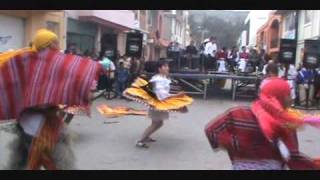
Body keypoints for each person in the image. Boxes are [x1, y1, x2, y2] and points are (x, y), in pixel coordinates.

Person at [0, 29, 102, 170]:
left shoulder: (22, 62)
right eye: (55, 42)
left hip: (25, 123)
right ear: (48, 44)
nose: (57, 45)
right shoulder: (50, 64)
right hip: (45, 125)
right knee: (59, 164)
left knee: (22, 161)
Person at [205, 77, 319, 170]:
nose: (292, 99)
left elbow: (211, 131)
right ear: (278, 98)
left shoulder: (238, 113)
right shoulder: (286, 124)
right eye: (288, 95)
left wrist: (235, 146)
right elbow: (293, 158)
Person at [123, 60, 193, 148]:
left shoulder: (161, 78)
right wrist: (177, 95)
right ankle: (140, 140)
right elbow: (162, 96)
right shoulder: (159, 80)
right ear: (159, 69)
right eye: (165, 66)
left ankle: (146, 137)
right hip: (158, 105)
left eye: (167, 66)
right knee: (157, 124)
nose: (167, 68)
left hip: (158, 104)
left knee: (156, 123)